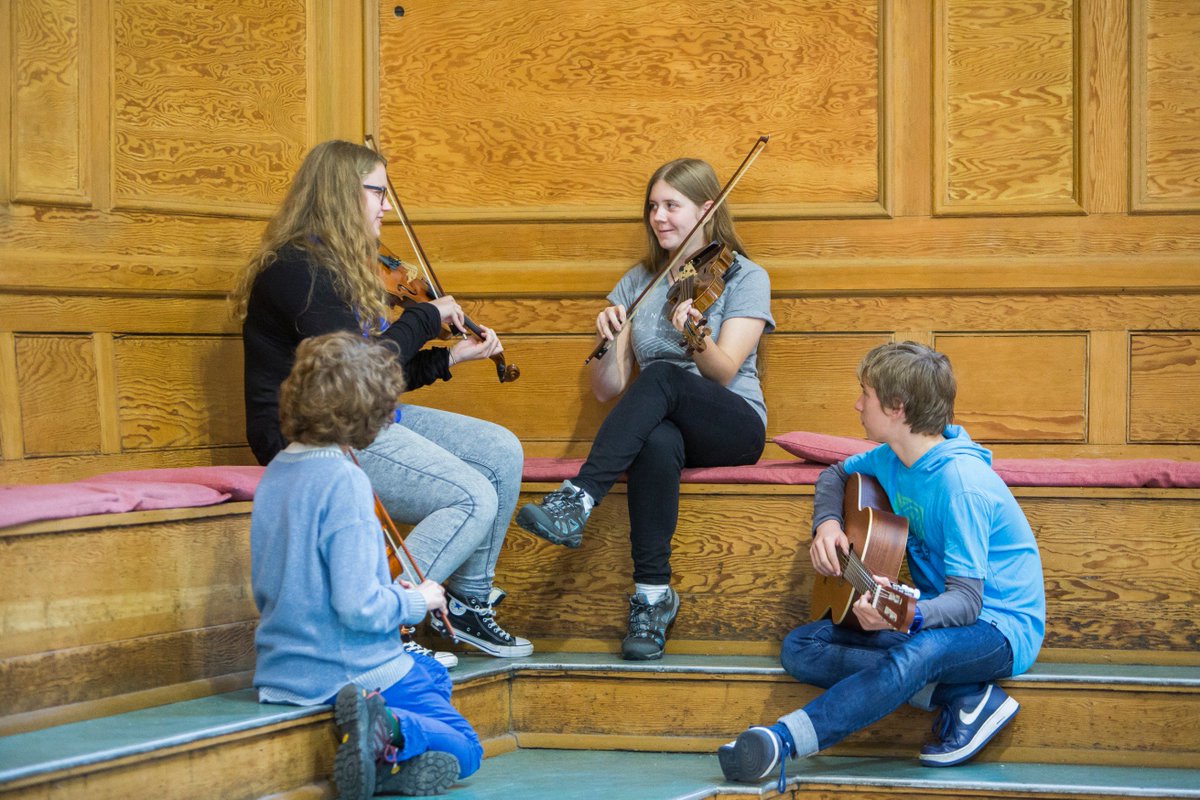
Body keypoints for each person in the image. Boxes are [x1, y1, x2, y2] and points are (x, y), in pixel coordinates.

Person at [230, 139, 531, 666]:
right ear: (342, 194)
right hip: (311, 433)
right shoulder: (295, 269)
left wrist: (451, 357)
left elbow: (375, 379)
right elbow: (355, 370)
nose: (386, 205)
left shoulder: (347, 267)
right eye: (378, 192)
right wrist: (426, 318)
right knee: (471, 496)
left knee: (500, 450)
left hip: (356, 413)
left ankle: (466, 602)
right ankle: (391, 624)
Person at [719, 342, 1046, 789]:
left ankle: (780, 742)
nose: (857, 404)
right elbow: (835, 474)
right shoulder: (893, 459)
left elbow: (968, 603)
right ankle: (964, 697)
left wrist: (907, 614)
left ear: (896, 407)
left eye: (865, 394)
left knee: (921, 651)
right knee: (802, 645)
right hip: (938, 619)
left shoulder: (961, 484)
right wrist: (828, 525)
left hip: (1001, 628)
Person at [515, 157, 774, 660]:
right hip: (671, 430)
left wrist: (691, 335)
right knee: (655, 440)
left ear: (707, 207)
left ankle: (577, 501)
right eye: (653, 207)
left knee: (662, 375)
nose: (659, 218)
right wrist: (610, 336)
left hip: (734, 426)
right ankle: (652, 597)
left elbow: (722, 373)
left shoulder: (745, 275)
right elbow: (607, 389)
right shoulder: (640, 282)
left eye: (672, 206)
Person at [250, 331, 481, 798]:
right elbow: (358, 607)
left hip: (281, 670)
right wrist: (418, 600)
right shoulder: (344, 481)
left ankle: (388, 762)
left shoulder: (274, 474)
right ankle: (391, 730)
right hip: (347, 669)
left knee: (432, 676)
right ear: (368, 411)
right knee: (467, 747)